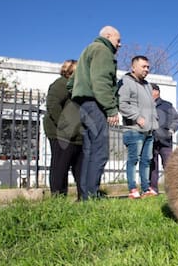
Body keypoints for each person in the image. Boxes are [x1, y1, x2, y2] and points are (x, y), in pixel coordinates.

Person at [71, 25, 121, 201]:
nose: (120, 44)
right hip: (96, 105)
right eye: (118, 40)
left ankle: (85, 196)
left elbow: (71, 83)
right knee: (100, 152)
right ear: (108, 36)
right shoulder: (103, 50)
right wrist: (111, 108)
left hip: (84, 105)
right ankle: (91, 196)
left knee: (89, 151)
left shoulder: (87, 51)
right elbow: (101, 82)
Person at [119, 56, 159, 199]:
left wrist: (155, 122)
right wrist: (137, 117)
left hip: (149, 130)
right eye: (143, 66)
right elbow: (122, 104)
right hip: (134, 129)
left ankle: (146, 189)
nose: (147, 69)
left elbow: (151, 107)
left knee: (146, 160)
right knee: (133, 160)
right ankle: (132, 189)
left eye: (148, 67)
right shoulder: (125, 82)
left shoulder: (148, 85)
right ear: (133, 67)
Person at [43, 59, 83, 200]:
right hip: (61, 134)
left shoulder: (79, 87)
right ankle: (58, 198)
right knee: (60, 167)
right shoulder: (61, 84)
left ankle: (83, 197)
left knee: (80, 167)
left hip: (78, 135)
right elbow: (53, 105)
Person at [149, 83, 178, 194]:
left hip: (165, 141)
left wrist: (171, 130)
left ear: (157, 91)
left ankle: (172, 190)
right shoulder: (147, 105)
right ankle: (153, 189)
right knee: (152, 165)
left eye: (150, 90)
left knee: (169, 165)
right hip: (151, 140)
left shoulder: (167, 105)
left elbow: (176, 119)